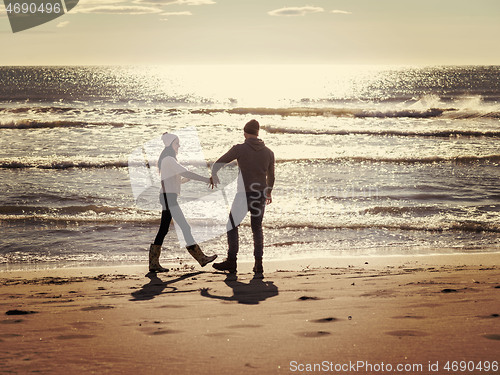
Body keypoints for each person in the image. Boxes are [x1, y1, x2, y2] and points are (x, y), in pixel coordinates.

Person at [211, 119, 275, 276]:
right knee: (256, 228)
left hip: (243, 195)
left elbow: (219, 162)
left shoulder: (239, 148)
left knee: (232, 225)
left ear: (245, 133)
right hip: (260, 195)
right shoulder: (269, 153)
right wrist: (268, 192)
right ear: (257, 133)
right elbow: (271, 176)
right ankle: (258, 264)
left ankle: (232, 262)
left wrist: (214, 174)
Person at [149, 132, 217, 273]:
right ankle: (201, 258)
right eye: (176, 143)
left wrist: (187, 178)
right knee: (184, 227)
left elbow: (178, 179)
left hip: (168, 197)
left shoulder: (168, 160)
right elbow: (185, 173)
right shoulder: (169, 159)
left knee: (164, 229)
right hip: (168, 198)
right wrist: (206, 179)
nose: (179, 145)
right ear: (170, 144)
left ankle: (154, 263)